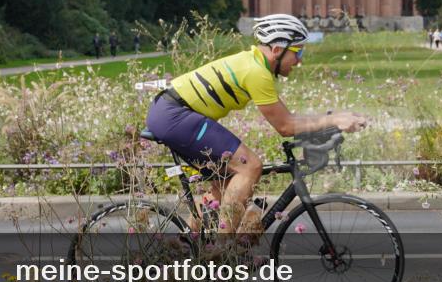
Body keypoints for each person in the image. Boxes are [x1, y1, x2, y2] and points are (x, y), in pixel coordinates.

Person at [145, 14, 367, 235]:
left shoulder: (255, 64)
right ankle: (223, 251)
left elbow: (287, 118)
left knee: (225, 183)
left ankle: (189, 244)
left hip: (171, 114)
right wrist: (334, 120)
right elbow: (286, 127)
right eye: (298, 51)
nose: (300, 60)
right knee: (250, 166)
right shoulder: (256, 72)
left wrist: (332, 118)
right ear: (278, 50)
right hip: (175, 115)